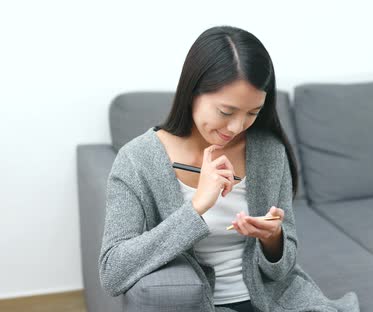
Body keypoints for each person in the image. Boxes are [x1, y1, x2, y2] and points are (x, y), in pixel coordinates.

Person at [98, 25, 359, 312]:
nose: (237, 127)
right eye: (226, 112)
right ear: (192, 91)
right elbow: (113, 271)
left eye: (252, 113)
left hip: (278, 301)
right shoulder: (137, 160)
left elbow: (283, 268)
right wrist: (196, 206)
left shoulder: (269, 151)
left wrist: (273, 239)